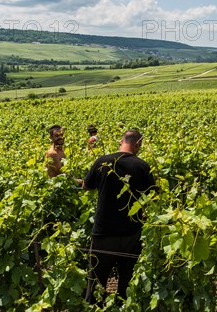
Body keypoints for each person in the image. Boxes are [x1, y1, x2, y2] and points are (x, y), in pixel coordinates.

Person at [82, 129, 156, 305]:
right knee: (126, 286)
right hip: (131, 235)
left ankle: (94, 308)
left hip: (103, 234)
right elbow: (153, 197)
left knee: (95, 285)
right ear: (138, 144)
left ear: (120, 142)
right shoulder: (143, 166)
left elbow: (87, 186)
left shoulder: (102, 161)